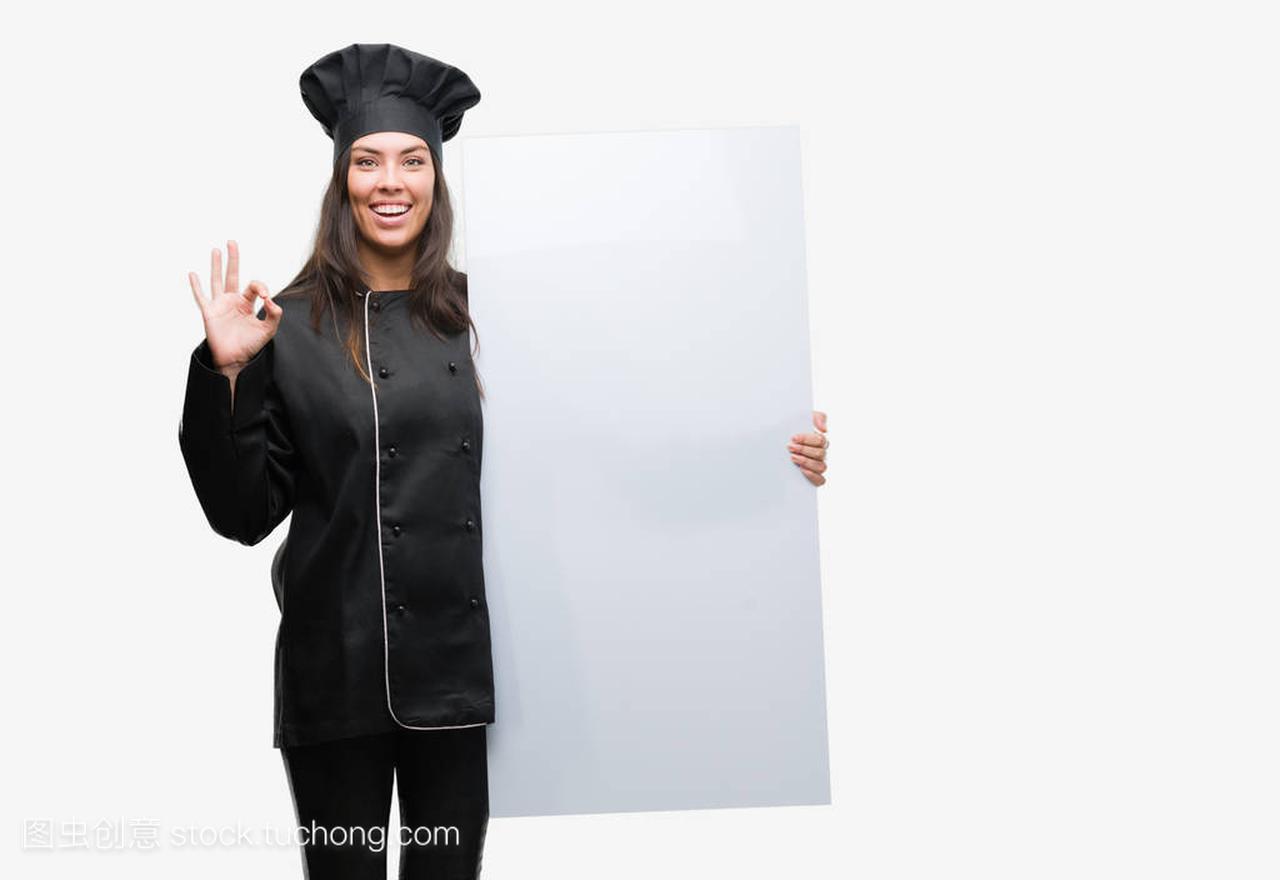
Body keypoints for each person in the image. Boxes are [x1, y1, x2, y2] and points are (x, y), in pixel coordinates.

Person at [178, 43, 830, 880]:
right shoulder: (286, 323)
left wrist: (768, 452)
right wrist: (227, 373)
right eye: (368, 161)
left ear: (437, 179)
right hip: (335, 671)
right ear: (341, 179)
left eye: (413, 161)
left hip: (460, 676)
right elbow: (242, 516)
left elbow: (625, 448)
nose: (390, 182)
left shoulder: (493, 314)